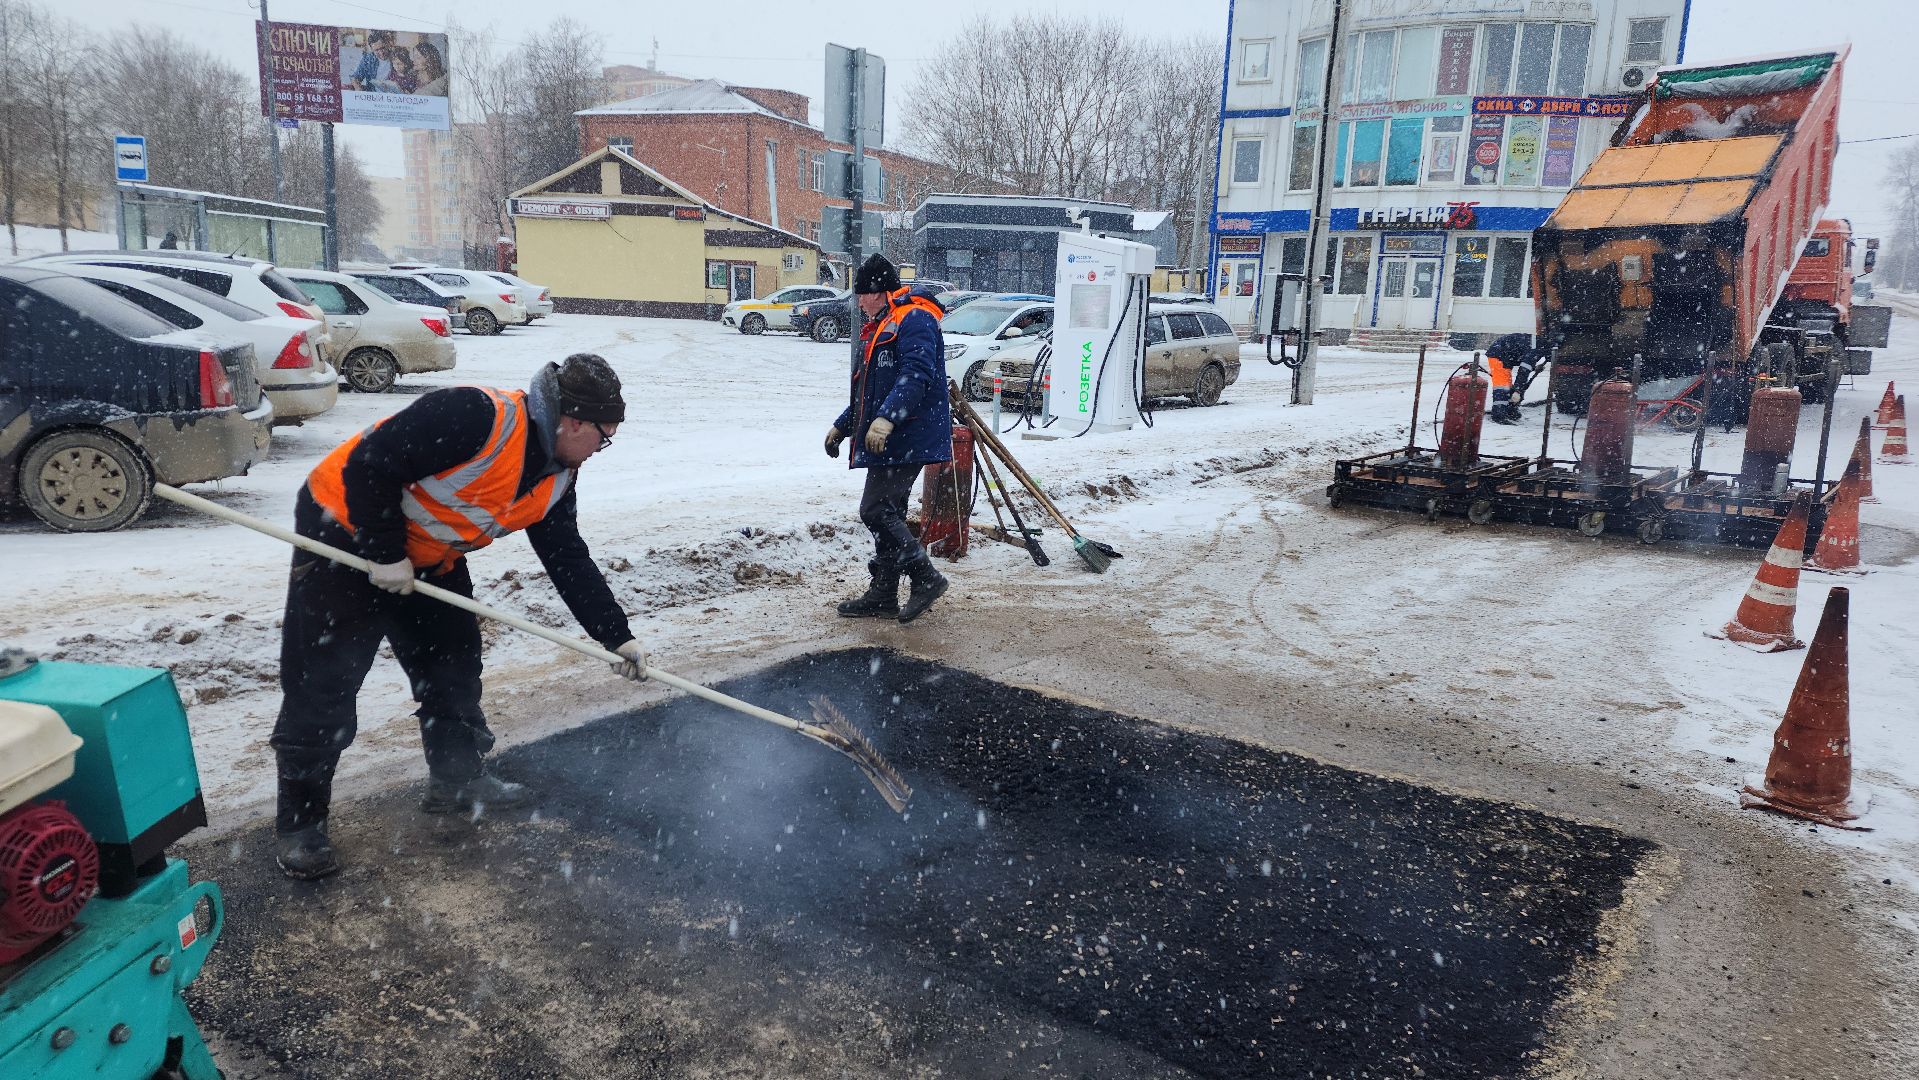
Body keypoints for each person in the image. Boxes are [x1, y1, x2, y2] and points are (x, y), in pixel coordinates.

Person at [271, 354, 649, 880]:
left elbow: (566, 556)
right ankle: (300, 824)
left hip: (427, 556)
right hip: (343, 535)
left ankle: (455, 780)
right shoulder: (475, 416)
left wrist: (616, 637)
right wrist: (382, 552)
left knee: (452, 664)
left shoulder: (559, 474)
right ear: (574, 422)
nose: (601, 450)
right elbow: (370, 462)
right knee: (326, 680)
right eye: (603, 437)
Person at [825, 254, 952, 624]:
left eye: (862, 294)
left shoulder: (915, 319)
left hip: (907, 435)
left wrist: (886, 421)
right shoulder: (883, 324)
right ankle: (883, 593)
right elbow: (870, 391)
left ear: (879, 292)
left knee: (875, 510)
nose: (859, 302)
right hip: (891, 437)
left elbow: (916, 375)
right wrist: (844, 425)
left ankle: (925, 577)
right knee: (888, 512)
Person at [1484, 332, 1538, 425]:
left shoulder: (1537, 344)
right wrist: (1518, 390)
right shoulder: (1535, 349)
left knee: (1507, 385)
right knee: (1502, 386)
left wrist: (1533, 367)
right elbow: (1523, 371)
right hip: (1499, 355)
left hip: (1505, 355)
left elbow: (1525, 362)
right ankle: (1499, 415)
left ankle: (1509, 410)